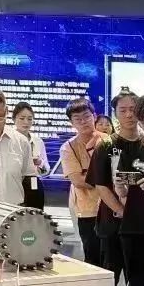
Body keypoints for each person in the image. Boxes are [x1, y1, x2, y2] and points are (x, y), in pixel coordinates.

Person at [88, 90, 144, 286]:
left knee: (140, 279)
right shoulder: (106, 145)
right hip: (113, 223)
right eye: (123, 110)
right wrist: (122, 210)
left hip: (143, 225)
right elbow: (101, 185)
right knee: (110, 276)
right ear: (115, 114)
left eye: (133, 109)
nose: (129, 115)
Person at [58, 98, 108, 267]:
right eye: (77, 119)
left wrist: (90, 176)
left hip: (113, 209)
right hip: (88, 211)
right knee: (93, 257)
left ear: (94, 116)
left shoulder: (109, 141)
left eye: (86, 116)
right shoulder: (68, 148)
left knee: (113, 258)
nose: (83, 121)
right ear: (71, 123)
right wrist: (105, 180)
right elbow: (78, 180)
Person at [12, 101, 49, 210]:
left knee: (35, 217)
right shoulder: (9, 140)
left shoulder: (38, 141)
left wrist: (39, 163)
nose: (26, 122)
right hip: (15, 185)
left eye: (29, 119)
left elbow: (46, 171)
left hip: (34, 184)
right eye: (22, 118)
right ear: (14, 119)